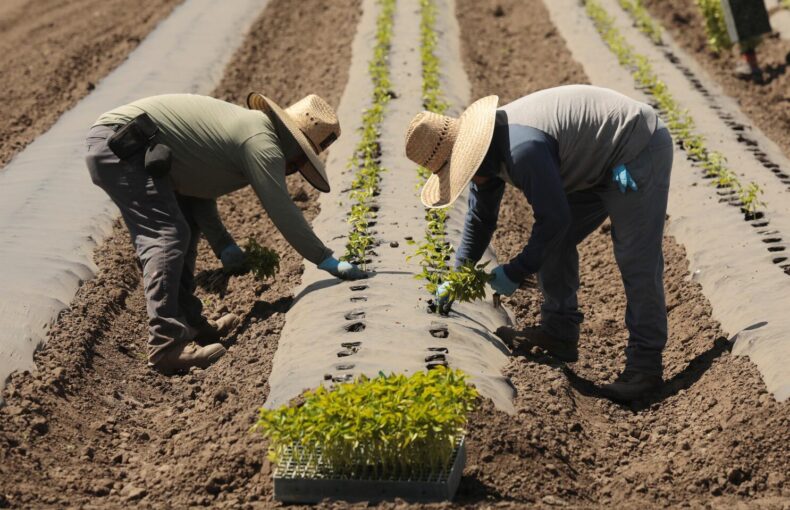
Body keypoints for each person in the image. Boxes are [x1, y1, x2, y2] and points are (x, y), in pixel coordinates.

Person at [404, 85, 673, 402]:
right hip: (593, 158)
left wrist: (515, 271)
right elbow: (480, 219)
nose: (464, 181)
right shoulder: (488, 156)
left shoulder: (523, 150)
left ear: (469, 157)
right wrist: (458, 274)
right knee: (553, 244)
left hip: (635, 147)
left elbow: (554, 221)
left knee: (636, 258)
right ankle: (559, 331)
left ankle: (645, 367)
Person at [85, 93, 365, 375]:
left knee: (184, 227)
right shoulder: (261, 142)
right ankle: (166, 345)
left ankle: (191, 324)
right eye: (300, 158)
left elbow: (198, 191)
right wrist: (324, 258)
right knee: (167, 236)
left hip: (131, 142)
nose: (294, 168)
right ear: (293, 143)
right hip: (122, 143)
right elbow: (281, 207)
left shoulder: (251, 130)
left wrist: (223, 245)